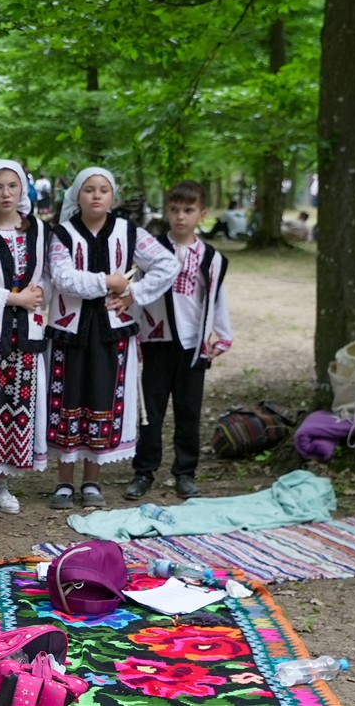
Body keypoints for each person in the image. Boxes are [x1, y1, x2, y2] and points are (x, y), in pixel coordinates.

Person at [46, 167, 176, 511]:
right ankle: (63, 481)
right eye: (89, 189)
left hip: (112, 330)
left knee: (103, 399)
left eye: (103, 190)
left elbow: (167, 264)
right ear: (77, 195)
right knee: (67, 400)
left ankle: (92, 480)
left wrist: (134, 293)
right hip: (70, 330)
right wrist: (108, 281)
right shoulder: (62, 234)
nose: (96, 195)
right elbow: (63, 277)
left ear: (112, 196)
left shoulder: (129, 232)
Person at [126, 181, 232, 502]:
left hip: (192, 344)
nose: (180, 217)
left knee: (189, 412)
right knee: (151, 412)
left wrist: (223, 335)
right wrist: (133, 328)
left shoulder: (211, 258)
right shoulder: (153, 250)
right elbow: (137, 288)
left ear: (202, 214)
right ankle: (144, 471)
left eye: (188, 210)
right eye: (174, 210)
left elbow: (215, 297)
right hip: (157, 340)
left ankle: (185, 472)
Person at [0, 161, 50, 515]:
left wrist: (38, 295)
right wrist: (13, 298)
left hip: (27, 331)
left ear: (23, 190)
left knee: (17, 406)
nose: (6, 193)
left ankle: (2, 482)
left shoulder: (39, 230)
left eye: (13, 186)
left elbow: (47, 276)